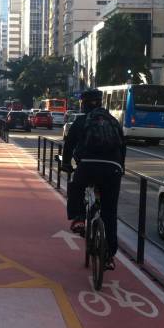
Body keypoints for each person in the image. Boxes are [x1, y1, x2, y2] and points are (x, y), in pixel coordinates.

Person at [62, 89, 126, 264]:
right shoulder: (113, 121)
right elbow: (122, 146)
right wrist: (121, 168)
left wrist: (66, 164)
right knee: (109, 212)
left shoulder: (82, 121)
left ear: (83, 104)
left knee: (76, 186)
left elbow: (69, 145)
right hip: (113, 168)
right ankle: (109, 256)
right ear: (101, 103)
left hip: (88, 165)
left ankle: (78, 218)